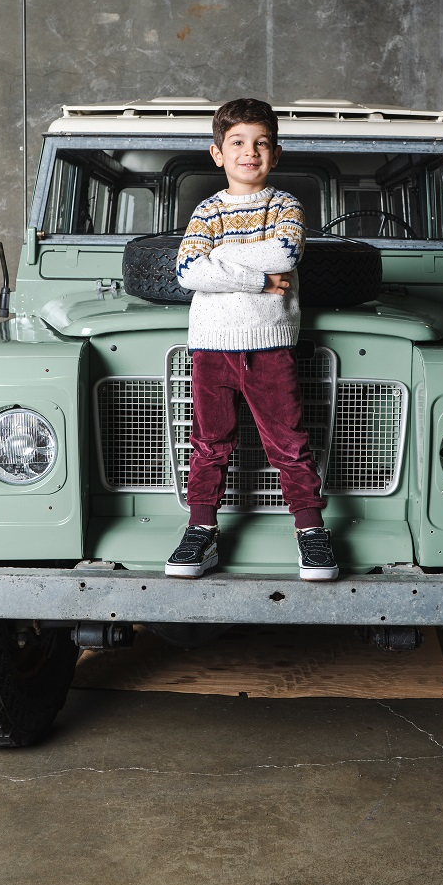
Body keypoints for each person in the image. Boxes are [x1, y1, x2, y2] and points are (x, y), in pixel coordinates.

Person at [164, 98, 339, 581]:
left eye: (261, 143)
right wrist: (258, 281)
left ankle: (310, 531)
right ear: (217, 153)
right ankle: (201, 529)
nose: (250, 152)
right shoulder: (207, 209)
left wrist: (224, 263)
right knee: (207, 443)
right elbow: (187, 269)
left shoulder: (286, 205)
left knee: (289, 443)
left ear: (276, 154)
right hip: (211, 345)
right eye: (238, 142)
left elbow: (284, 251)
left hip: (269, 345)